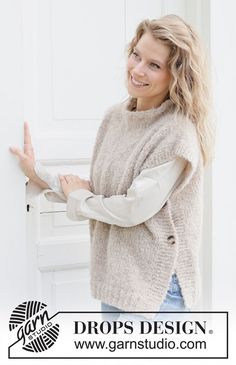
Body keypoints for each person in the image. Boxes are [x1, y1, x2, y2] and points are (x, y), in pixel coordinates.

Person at [10, 14, 214, 322]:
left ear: (176, 75)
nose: (137, 70)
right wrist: (36, 173)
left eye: (154, 65)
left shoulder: (175, 133)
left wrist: (80, 200)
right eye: (136, 55)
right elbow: (100, 194)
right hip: (118, 282)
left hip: (156, 289)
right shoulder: (115, 118)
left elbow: (133, 208)